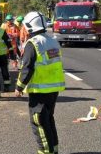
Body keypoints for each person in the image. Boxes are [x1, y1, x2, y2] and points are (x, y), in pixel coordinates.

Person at [15, 11, 65, 154]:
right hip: (53, 89)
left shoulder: (33, 43)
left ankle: (45, 151)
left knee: (39, 122)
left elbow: (27, 67)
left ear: (30, 26)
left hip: (39, 90)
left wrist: (19, 87)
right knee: (48, 119)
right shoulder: (52, 41)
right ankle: (53, 149)